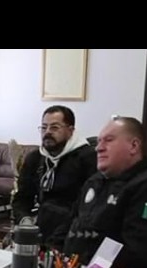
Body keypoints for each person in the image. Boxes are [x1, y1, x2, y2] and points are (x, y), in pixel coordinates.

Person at [63, 116, 147, 268]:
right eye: (99, 141)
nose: (98, 148)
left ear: (133, 146)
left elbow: (138, 251)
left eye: (108, 140)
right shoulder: (94, 181)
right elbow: (70, 224)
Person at [8, 106, 96, 249]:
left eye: (54, 127)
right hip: (41, 228)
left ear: (70, 130)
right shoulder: (35, 158)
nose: (47, 132)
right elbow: (22, 198)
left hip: (74, 232)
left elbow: (89, 207)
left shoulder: (88, 158)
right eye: (44, 127)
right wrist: (25, 220)